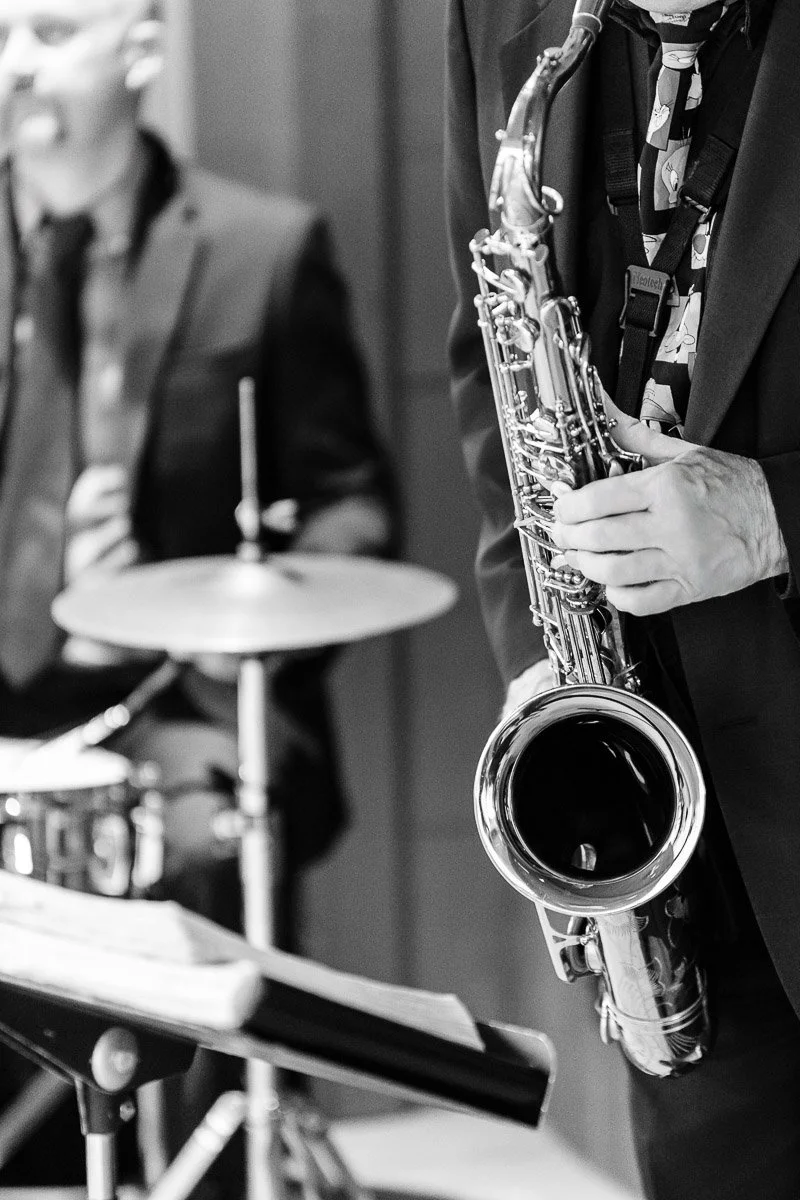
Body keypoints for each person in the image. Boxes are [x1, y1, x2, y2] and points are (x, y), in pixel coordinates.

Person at [0, 0, 395, 1189]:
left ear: (143, 47)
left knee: (199, 843)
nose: (14, 62)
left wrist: (202, 607)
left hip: (182, 711)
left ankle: (219, 1164)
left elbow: (351, 505)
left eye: (53, 30)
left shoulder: (260, 248)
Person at [446, 0, 800, 1197]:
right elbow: (485, 369)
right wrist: (544, 661)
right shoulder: (510, 18)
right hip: (662, 820)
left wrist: (771, 518)